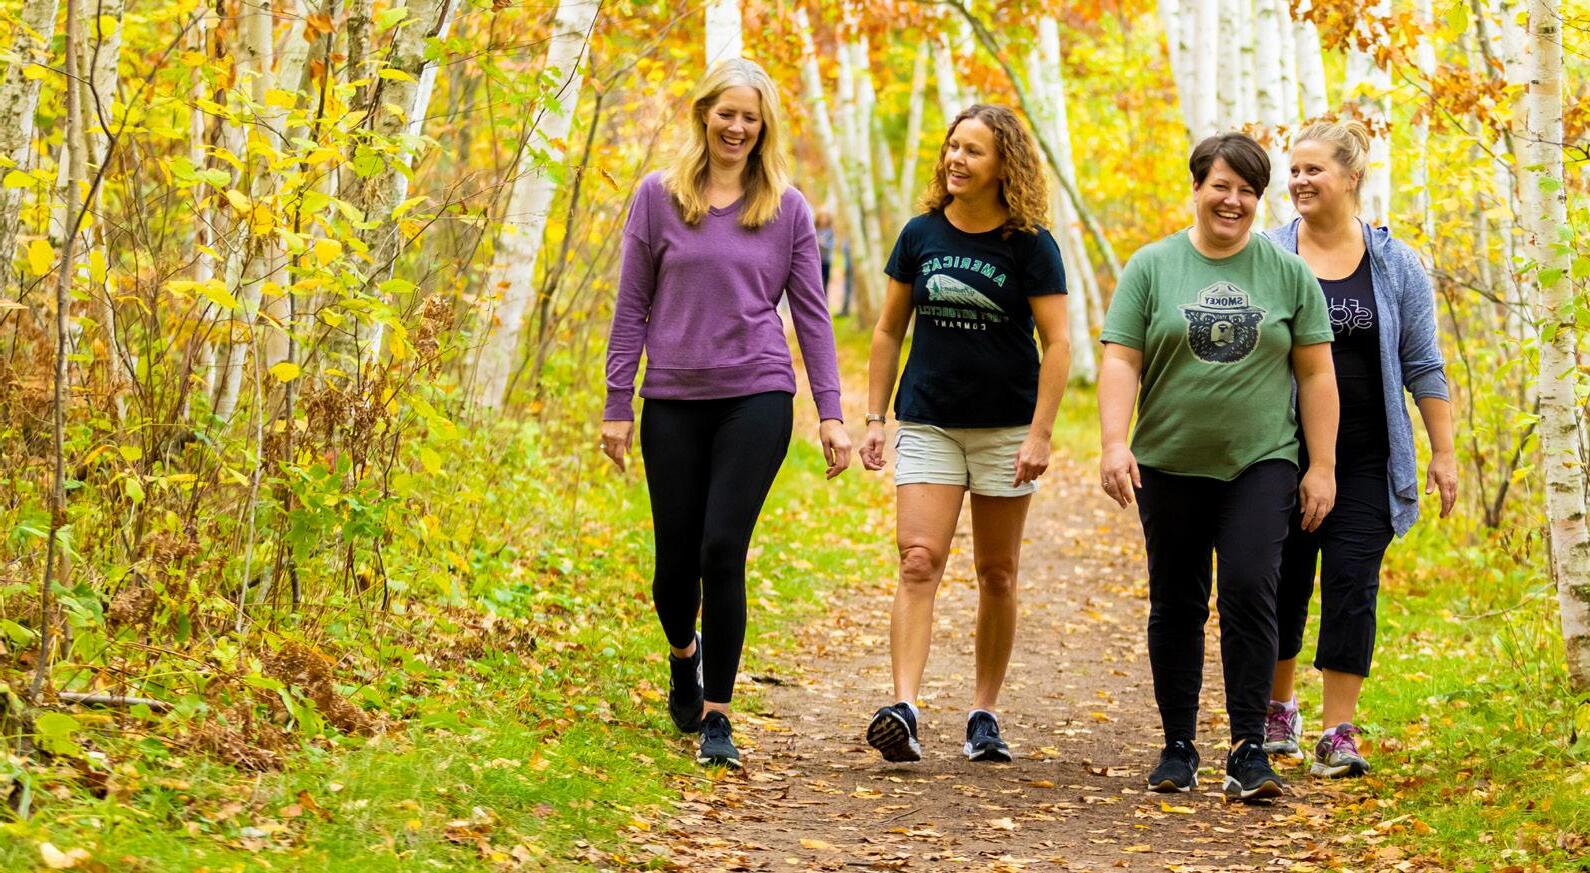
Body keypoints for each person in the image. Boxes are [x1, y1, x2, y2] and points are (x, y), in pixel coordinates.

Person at [602, 58, 852, 769]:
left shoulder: (786, 208)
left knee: (721, 550)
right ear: (704, 115)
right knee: (673, 569)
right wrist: (618, 403)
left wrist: (830, 412)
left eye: (750, 118)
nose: (737, 128)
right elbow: (631, 306)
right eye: (726, 114)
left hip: (756, 394)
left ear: (763, 126)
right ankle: (685, 654)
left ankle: (718, 715)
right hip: (673, 398)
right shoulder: (658, 198)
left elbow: (812, 316)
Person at [1097, 133, 1338, 802]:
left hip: (1261, 462)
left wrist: (1322, 465)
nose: (1233, 201)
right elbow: (1121, 358)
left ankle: (1248, 749)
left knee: (1250, 588)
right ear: (1197, 187)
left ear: (1259, 200)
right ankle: (1178, 746)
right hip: (1168, 462)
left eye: (1247, 191)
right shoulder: (1153, 267)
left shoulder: (1287, 273)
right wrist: (1114, 442)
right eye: (1221, 186)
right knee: (1176, 599)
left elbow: (1316, 374)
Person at [860, 104, 1070, 765]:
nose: (956, 159)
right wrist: (874, 417)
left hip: (1006, 428)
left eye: (973, 150)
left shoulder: (1030, 244)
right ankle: (904, 708)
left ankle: (984, 713)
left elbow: (1059, 342)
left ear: (1004, 164)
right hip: (929, 420)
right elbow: (888, 329)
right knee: (918, 560)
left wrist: (1040, 434)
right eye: (953, 146)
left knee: (997, 573)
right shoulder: (920, 234)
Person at [1260, 120, 1456, 778]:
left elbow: (1423, 364)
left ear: (1351, 177)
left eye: (1313, 169)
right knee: (1282, 581)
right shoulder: (1268, 254)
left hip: (1370, 457)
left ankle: (1337, 732)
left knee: (1351, 584)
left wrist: (1443, 452)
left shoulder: (1395, 263)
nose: (1299, 180)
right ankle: (1278, 709)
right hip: (1281, 450)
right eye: (1294, 170)